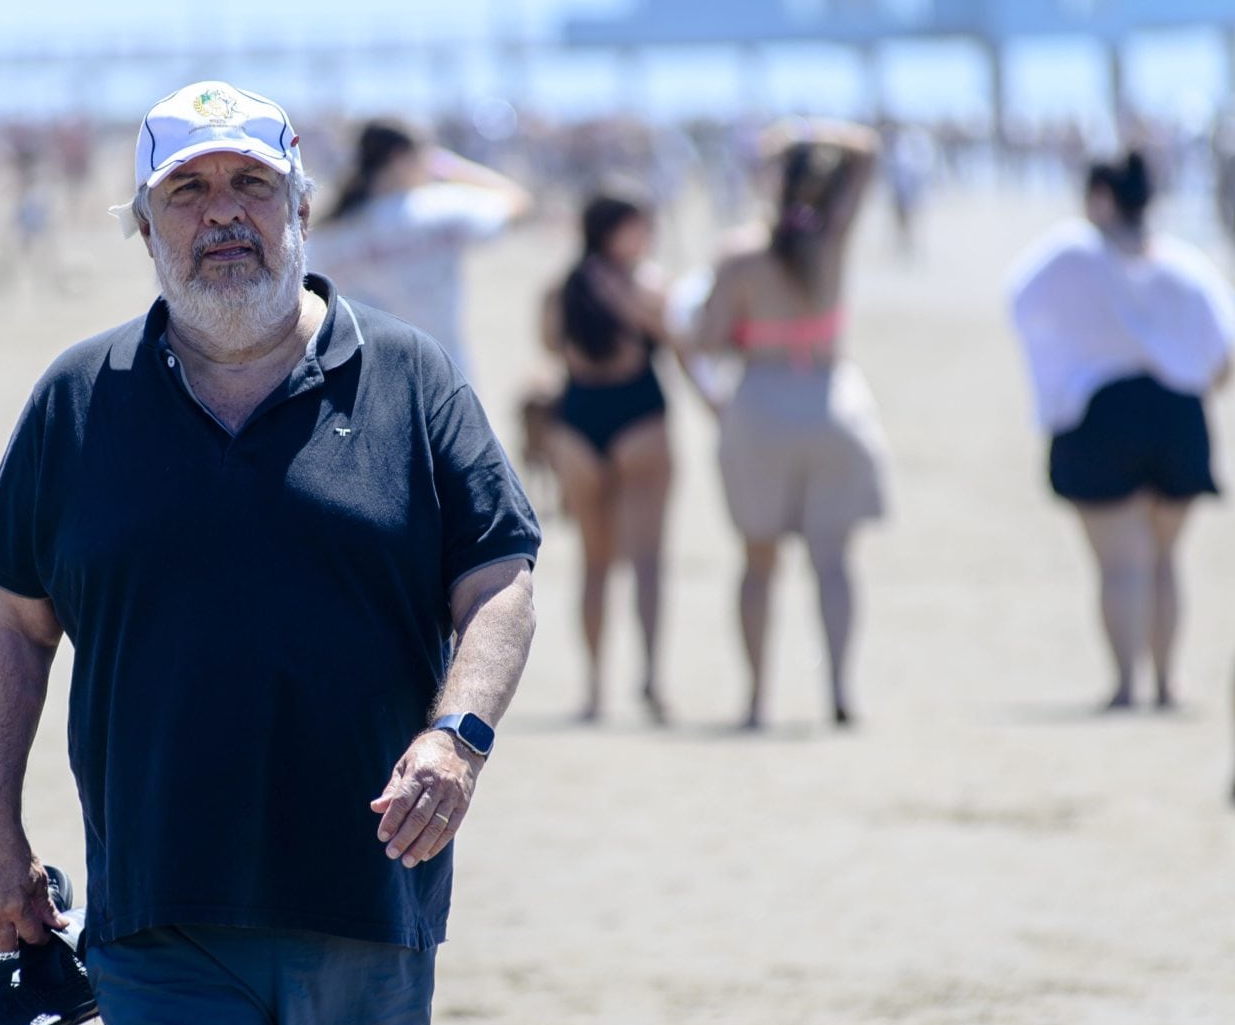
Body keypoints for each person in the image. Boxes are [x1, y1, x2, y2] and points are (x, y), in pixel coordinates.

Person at [0, 81, 540, 1025]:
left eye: (249, 187)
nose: (222, 215)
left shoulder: (407, 378)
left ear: (301, 208)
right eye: (187, 191)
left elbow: (498, 580)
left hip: (364, 877)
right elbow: (14, 619)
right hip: (158, 890)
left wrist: (456, 735)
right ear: (143, 225)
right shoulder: (79, 398)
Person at [1008, 150, 1233, 711]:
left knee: (1120, 566)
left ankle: (1126, 685)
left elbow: (1019, 305)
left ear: (1101, 198)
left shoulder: (1073, 253)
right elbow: (1223, 353)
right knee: (1164, 559)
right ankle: (1166, 683)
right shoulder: (1186, 264)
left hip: (1101, 414)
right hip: (1179, 413)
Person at [688, 119, 889, 729]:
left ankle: (756, 699)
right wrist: (801, 132)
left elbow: (706, 340)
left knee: (758, 562)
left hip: (761, 402)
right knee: (833, 561)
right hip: (831, 400)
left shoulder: (742, 253)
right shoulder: (832, 237)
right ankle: (839, 688)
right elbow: (868, 151)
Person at [533, 187, 673, 722]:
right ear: (614, 229)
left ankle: (594, 692)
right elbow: (674, 335)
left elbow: (550, 346)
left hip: (577, 419)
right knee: (647, 561)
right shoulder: (645, 283)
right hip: (639, 414)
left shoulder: (562, 288)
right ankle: (651, 679)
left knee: (594, 564)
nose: (648, 235)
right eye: (640, 225)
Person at [306, 118, 532, 374]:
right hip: (443, 375)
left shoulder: (334, 230)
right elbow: (519, 203)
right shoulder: (439, 208)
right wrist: (450, 166)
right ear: (401, 156)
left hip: (366, 378)